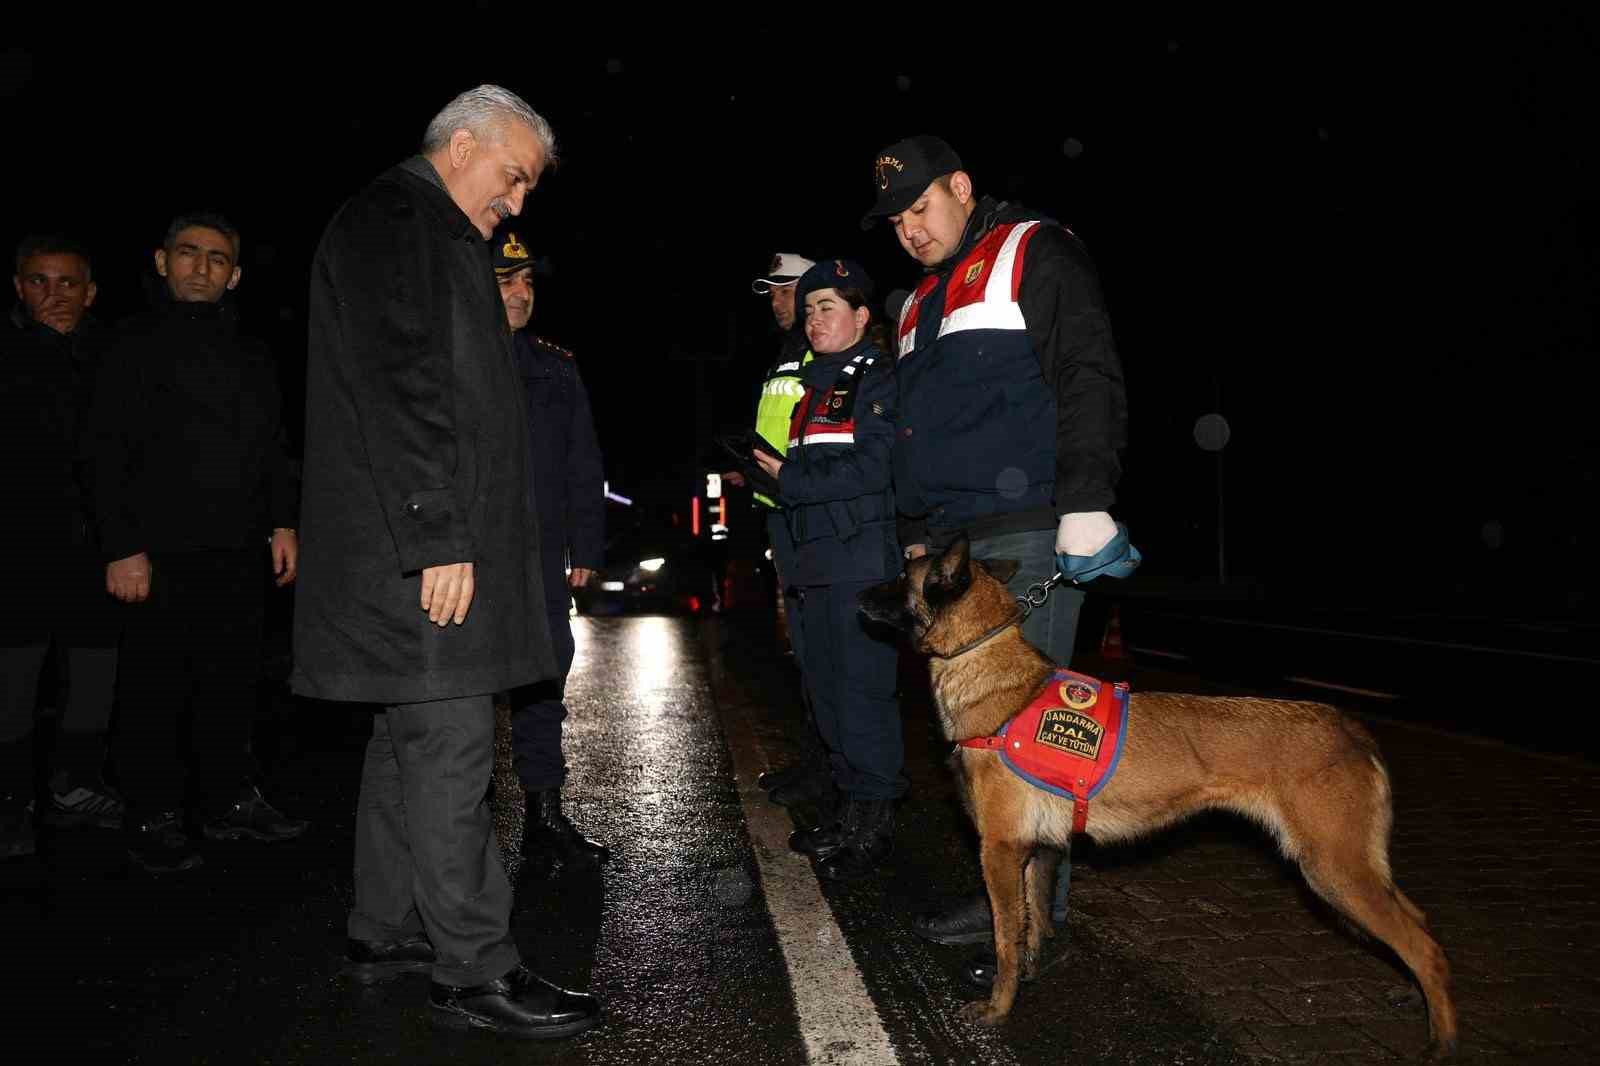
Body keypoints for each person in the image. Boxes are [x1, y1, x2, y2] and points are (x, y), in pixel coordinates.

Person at [292, 85, 599, 1040]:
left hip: (408, 549)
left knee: (406, 741)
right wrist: (438, 533)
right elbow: (404, 383)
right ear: (463, 145)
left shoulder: (426, 227)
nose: (516, 202)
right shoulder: (398, 219)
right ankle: (473, 968)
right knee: (456, 748)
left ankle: (384, 927)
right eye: (513, 177)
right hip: (418, 551)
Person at [861, 136, 1138, 961]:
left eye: (922, 208)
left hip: (1025, 529)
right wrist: (914, 531)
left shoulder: (1032, 250)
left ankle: (1026, 924)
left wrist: (1086, 505)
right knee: (977, 740)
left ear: (961, 186)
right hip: (948, 543)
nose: (910, 231)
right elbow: (913, 429)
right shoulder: (913, 303)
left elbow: (1088, 373)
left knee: (1028, 742)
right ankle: (1005, 899)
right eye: (896, 221)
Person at [84, 212, 306, 874]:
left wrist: (283, 523)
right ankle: (152, 813)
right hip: (155, 554)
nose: (201, 267)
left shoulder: (252, 352)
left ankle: (228, 801)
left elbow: (273, 447)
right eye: (188, 254)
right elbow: (102, 451)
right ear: (161, 261)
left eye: (216, 258)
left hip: (236, 548)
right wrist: (121, 546)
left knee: (232, 685)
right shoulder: (127, 344)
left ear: (234, 274)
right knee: (154, 690)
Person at [753, 258, 903, 881]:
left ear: (862, 317)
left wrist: (788, 477)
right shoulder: (811, 383)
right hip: (811, 560)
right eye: (809, 309)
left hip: (859, 562)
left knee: (861, 692)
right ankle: (847, 807)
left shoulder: (878, 377)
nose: (814, 320)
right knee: (824, 690)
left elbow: (873, 467)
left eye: (829, 308)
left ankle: (875, 818)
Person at [0, 234, 122, 858]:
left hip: (94, 550)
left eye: (68, 282)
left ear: (91, 292)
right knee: (15, 680)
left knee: (94, 672)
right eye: (40, 282)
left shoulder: (110, 357)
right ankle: (11, 803)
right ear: (19, 288)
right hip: (18, 553)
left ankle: (74, 786)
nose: (54, 294)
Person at [491, 227, 608, 866]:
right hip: (471, 561)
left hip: (538, 559)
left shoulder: (555, 368)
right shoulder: (455, 363)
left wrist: (584, 545)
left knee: (543, 684)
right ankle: (460, 828)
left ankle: (545, 815)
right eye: (506, 281)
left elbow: (581, 466)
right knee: (464, 702)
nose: (521, 292)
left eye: (528, 281)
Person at [740, 251, 835, 809]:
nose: (776, 302)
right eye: (771, 292)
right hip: (780, 508)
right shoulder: (787, 351)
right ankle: (814, 761)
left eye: (785, 290)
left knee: (825, 649)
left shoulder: (823, 348)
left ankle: (835, 774)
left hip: (811, 510)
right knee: (803, 648)